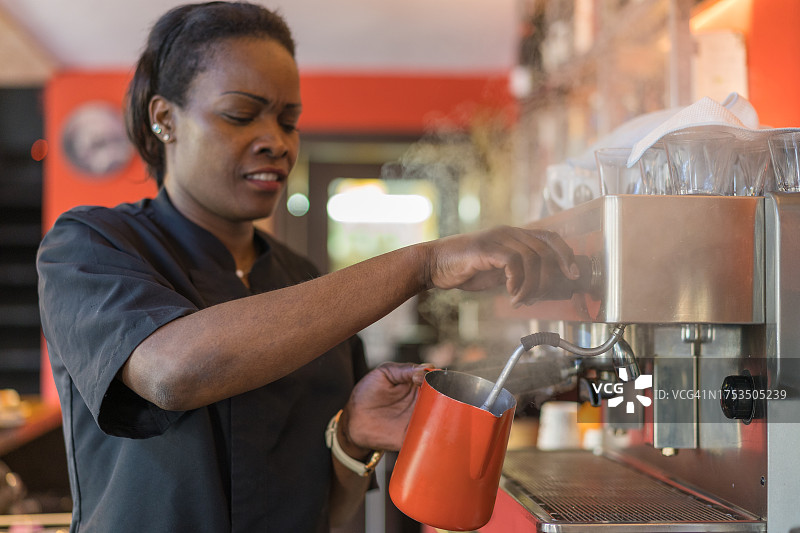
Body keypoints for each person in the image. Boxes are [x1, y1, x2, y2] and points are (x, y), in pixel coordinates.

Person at [36, 2, 579, 532]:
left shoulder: (302, 281)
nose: (276, 141)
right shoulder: (91, 247)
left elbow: (332, 515)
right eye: (241, 115)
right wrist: (426, 261)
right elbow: (170, 374)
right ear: (165, 119)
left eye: (288, 120)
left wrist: (353, 440)